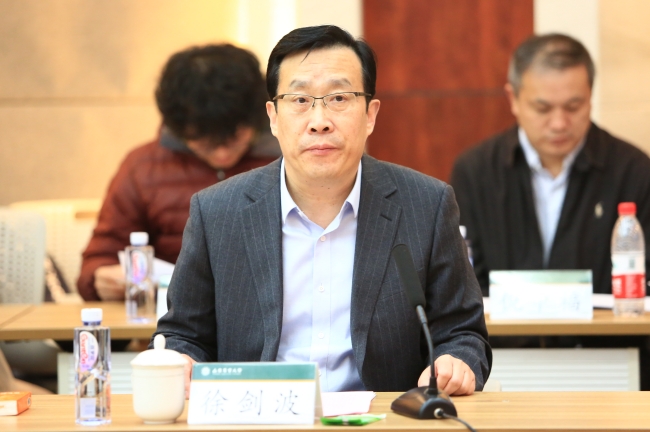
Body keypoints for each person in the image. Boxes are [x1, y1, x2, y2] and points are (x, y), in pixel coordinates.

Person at [154, 25, 491, 395]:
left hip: (383, 417)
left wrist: (455, 361)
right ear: (273, 117)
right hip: (260, 415)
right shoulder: (217, 212)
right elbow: (184, 335)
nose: (319, 121)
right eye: (300, 100)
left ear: (370, 114)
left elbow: (462, 332)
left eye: (339, 98)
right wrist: (181, 359)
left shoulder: (427, 205)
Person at [450, 33, 650, 390]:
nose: (559, 123)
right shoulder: (476, 171)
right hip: (502, 363)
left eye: (574, 106)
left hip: (611, 362)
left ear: (590, 96)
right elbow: (463, 281)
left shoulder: (633, 170)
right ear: (513, 98)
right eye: (543, 108)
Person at [78, 44, 280, 301]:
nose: (222, 154)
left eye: (234, 138)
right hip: (175, 315)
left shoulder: (288, 159)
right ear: (178, 129)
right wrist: (101, 278)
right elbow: (99, 260)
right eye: (204, 142)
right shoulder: (143, 167)